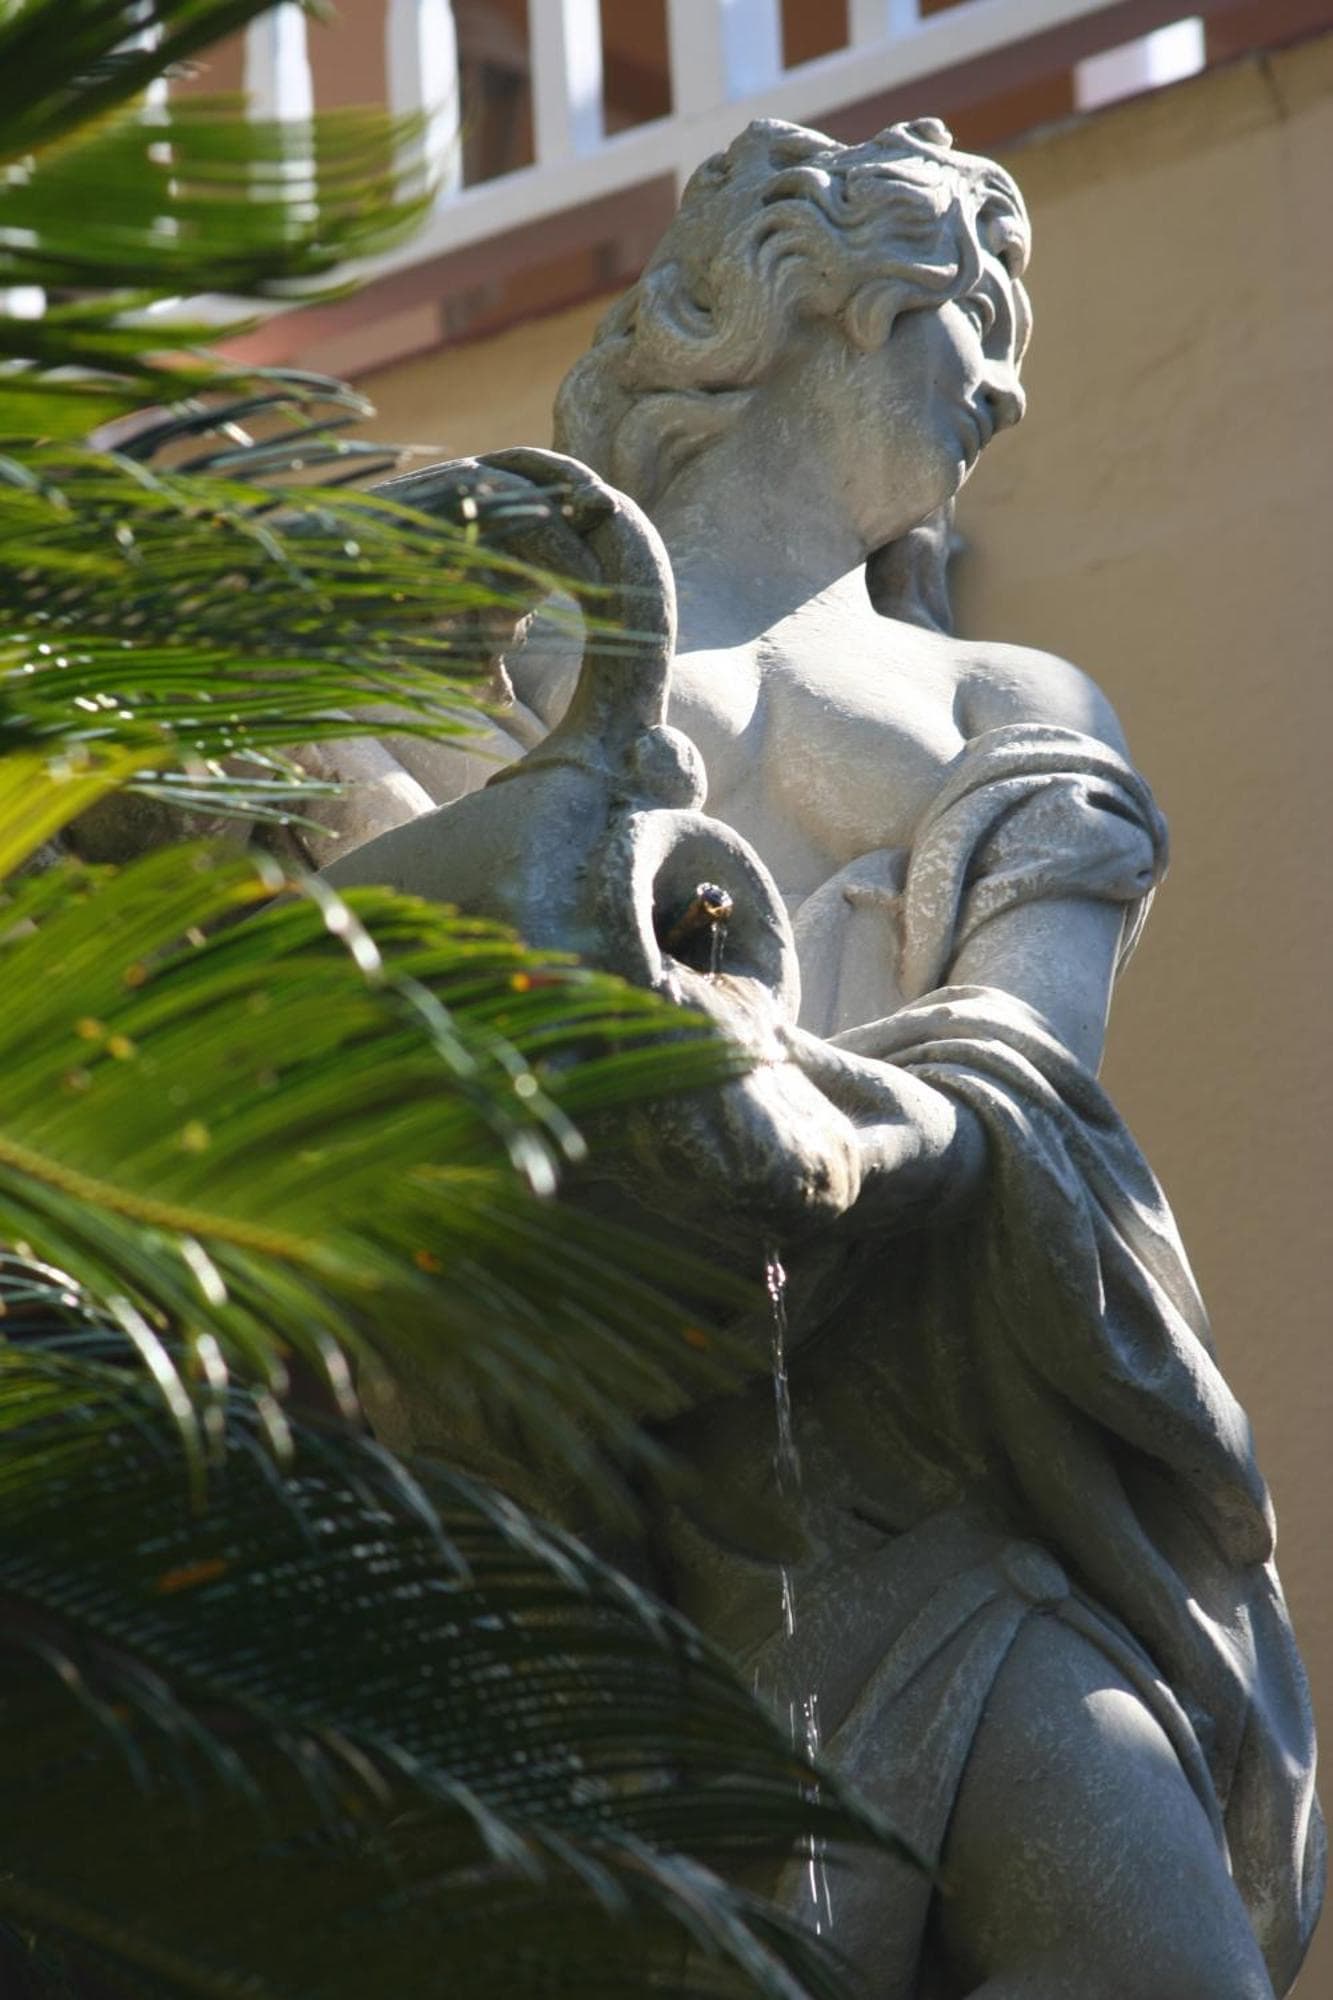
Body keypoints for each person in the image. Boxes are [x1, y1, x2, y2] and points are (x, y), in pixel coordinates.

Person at [328, 119, 1323, 1997]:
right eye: (972, 321)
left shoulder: (1004, 702)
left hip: (919, 1464)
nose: (1002, 387)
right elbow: (376, 979)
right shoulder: (478, 650)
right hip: (548, 1457)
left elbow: (1029, 1063)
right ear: (817, 305)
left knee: (1158, 1957)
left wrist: (825, 1138)